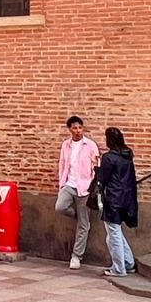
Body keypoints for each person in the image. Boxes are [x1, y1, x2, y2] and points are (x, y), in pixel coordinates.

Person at [55, 115, 100, 270]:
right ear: (70, 130)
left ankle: (76, 256)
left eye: (80, 128)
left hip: (85, 187)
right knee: (60, 206)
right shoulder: (66, 145)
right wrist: (62, 183)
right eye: (74, 128)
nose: (78, 131)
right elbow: (62, 164)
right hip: (69, 184)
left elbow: (96, 165)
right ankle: (79, 216)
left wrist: (93, 184)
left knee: (84, 225)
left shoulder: (90, 145)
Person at [96, 126, 139, 278]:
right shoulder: (127, 156)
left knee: (113, 233)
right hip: (126, 197)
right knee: (116, 232)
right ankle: (128, 262)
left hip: (113, 198)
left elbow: (103, 178)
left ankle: (119, 268)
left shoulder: (109, 157)